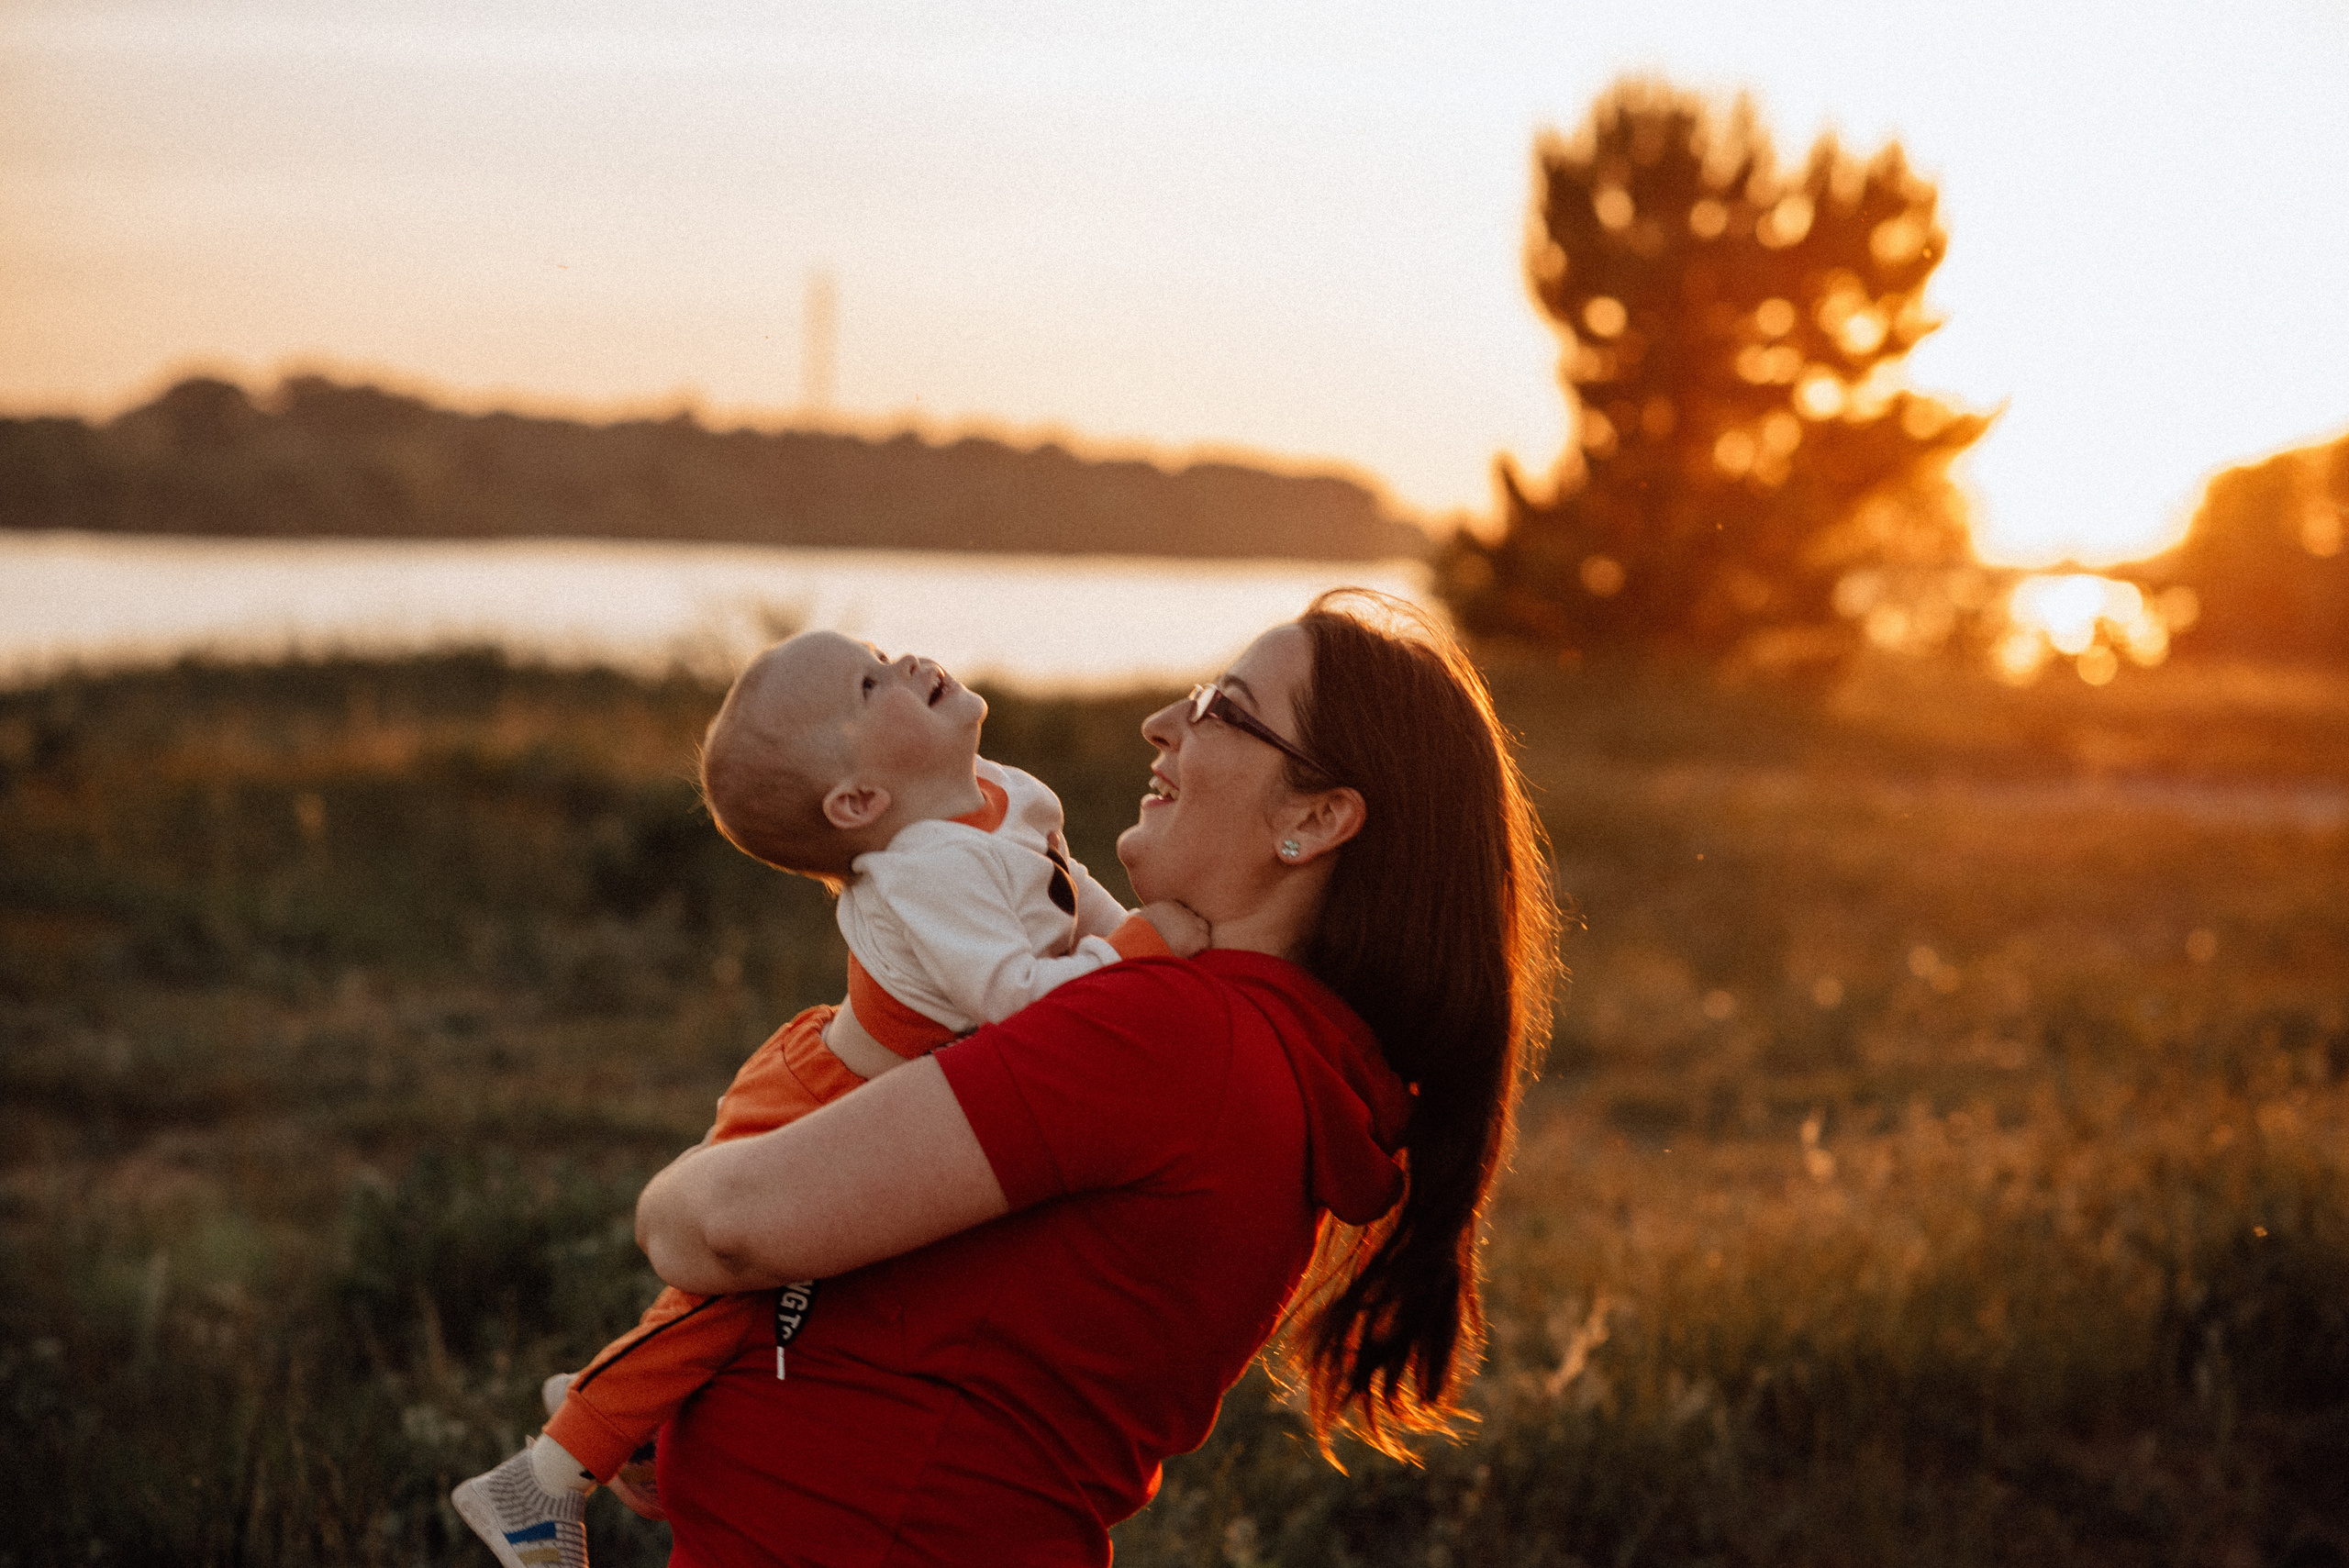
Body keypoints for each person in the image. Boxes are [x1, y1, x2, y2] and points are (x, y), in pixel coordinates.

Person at [632, 589, 1561, 1567]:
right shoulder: (1269, 1048)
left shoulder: (1164, 1034)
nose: (1163, 722)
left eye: (1221, 708)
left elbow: (721, 1227)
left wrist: (695, 1173)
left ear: (1316, 816)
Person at [452, 631, 1206, 1568]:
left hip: (884, 1090)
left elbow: (1066, 893)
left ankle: (642, 1417)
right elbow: (1018, 1001)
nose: (907, 664)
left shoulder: (1003, 792)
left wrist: (1127, 932)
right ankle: (543, 1476)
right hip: (823, 1093)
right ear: (858, 802)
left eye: (885, 653)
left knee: (759, 1295)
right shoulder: (925, 870)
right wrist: (1142, 956)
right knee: (731, 1291)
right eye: (868, 684)